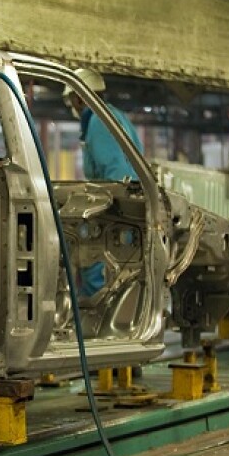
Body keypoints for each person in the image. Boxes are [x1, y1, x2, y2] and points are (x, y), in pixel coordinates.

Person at [62, 68, 144, 297]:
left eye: (72, 101)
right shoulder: (114, 116)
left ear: (79, 97)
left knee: (92, 262)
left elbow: (115, 174)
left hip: (115, 212)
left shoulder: (98, 122)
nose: (73, 107)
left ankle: (93, 319)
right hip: (130, 211)